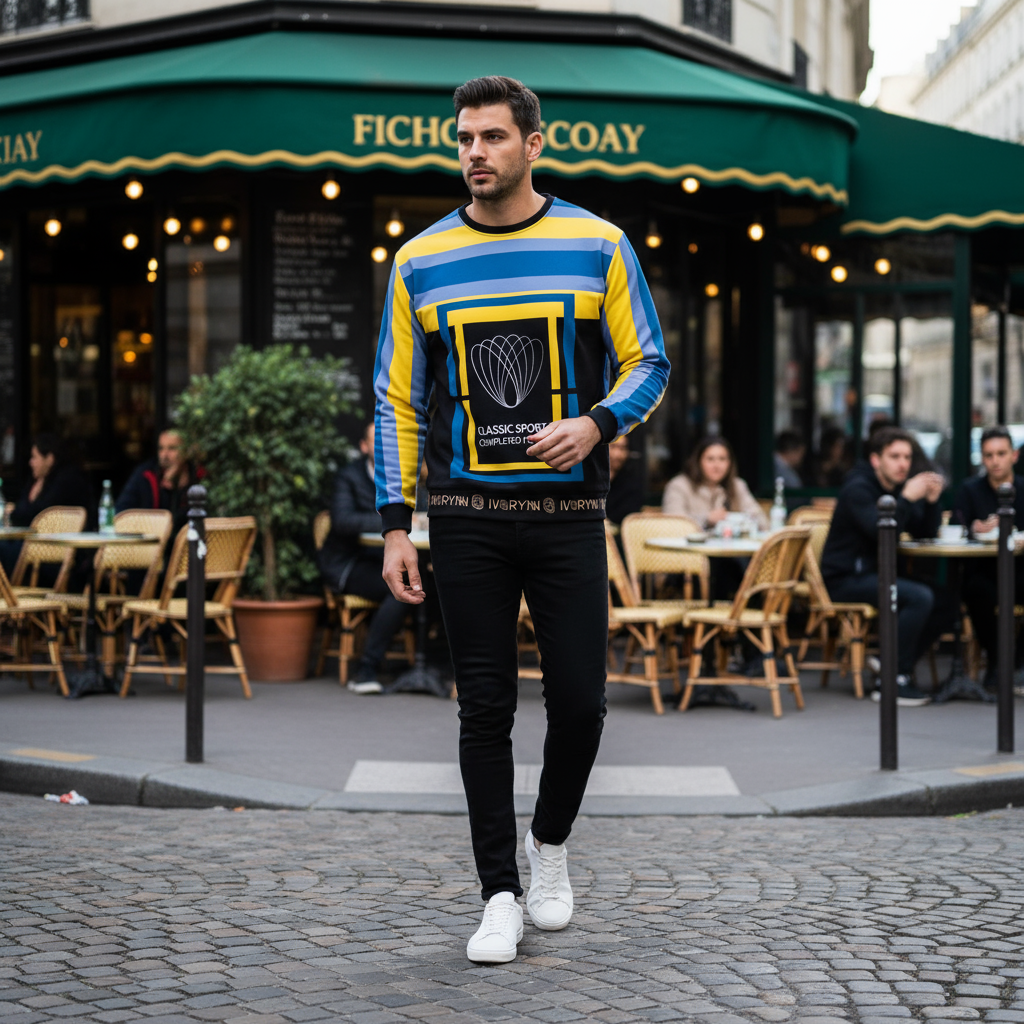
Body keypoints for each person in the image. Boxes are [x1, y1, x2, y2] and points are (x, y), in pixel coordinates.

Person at [374, 75, 669, 964]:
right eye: (464, 138)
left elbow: (647, 363)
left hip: (569, 515)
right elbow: (396, 401)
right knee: (484, 711)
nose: (475, 153)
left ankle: (549, 846)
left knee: (581, 703)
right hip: (464, 515)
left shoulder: (599, 243)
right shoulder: (419, 260)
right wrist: (398, 523)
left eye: (494, 137)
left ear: (534, 144)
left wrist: (597, 422)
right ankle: (498, 891)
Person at [820, 425, 955, 705]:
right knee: (918, 597)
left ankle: (889, 664)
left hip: (877, 576)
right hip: (844, 579)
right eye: (894, 456)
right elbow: (882, 533)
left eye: (906, 457)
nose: (903, 463)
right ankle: (894, 679)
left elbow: (924, 534)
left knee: (946, 601)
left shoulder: (895, 488)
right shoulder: (858, 488)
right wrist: (906, 499)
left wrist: (931, 502)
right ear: (875, 460)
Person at [318, 423, 410, 695]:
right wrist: (393, 521)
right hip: (348, 563)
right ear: (364, 446)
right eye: (376, 441)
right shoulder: (349, 476)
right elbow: (343, 521)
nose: (384, 448)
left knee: (431, 582)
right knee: (400, 589)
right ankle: (366, 670)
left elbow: (423, 507)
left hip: (385, 560)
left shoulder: (400, 474)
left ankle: (429, 666)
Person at [952, 425, 1024, 687]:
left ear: (1014, 455)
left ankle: (1018, 660)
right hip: (983, 571)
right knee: (976, 593)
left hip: (1019, 569)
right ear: (982, 458)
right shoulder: (970, 490)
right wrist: (975, 528)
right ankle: (997, 662)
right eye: (989, 455)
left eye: (1001, 453)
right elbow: (958, 525)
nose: (995, 461)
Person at [1, 433, 94, 580]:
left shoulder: (67, 480)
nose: (31, 463)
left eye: (35, 457)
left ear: (49, 459)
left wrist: (17, 512)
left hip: (56, 555)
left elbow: (33, 514)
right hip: (35, 548)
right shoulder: (38, 480)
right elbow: (23, 512)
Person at [662, 437, 769, 533]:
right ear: (698, 461)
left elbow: (761, 520)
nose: (717, 465)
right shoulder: (679, 485)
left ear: (730, 463)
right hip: (690, 552)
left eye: (722, 459)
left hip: (731, 550)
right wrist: (706, 519)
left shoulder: (737, 485)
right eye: (710, 459)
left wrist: (741, 521)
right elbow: (673, 524)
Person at [115, 428, 196, 534]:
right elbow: (121, 512)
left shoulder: (197, 475)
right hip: (151, 542)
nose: (164, 455)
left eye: (172, 448)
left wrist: (180, 488)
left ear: (186, 451)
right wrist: (166, 491)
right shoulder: (145, 474)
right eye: (161, 448)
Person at [605, 434, 644, 525]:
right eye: (613, 447)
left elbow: (628, 515)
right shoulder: (590, 480)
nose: (617, 454)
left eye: (622, 448)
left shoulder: (632, 483)